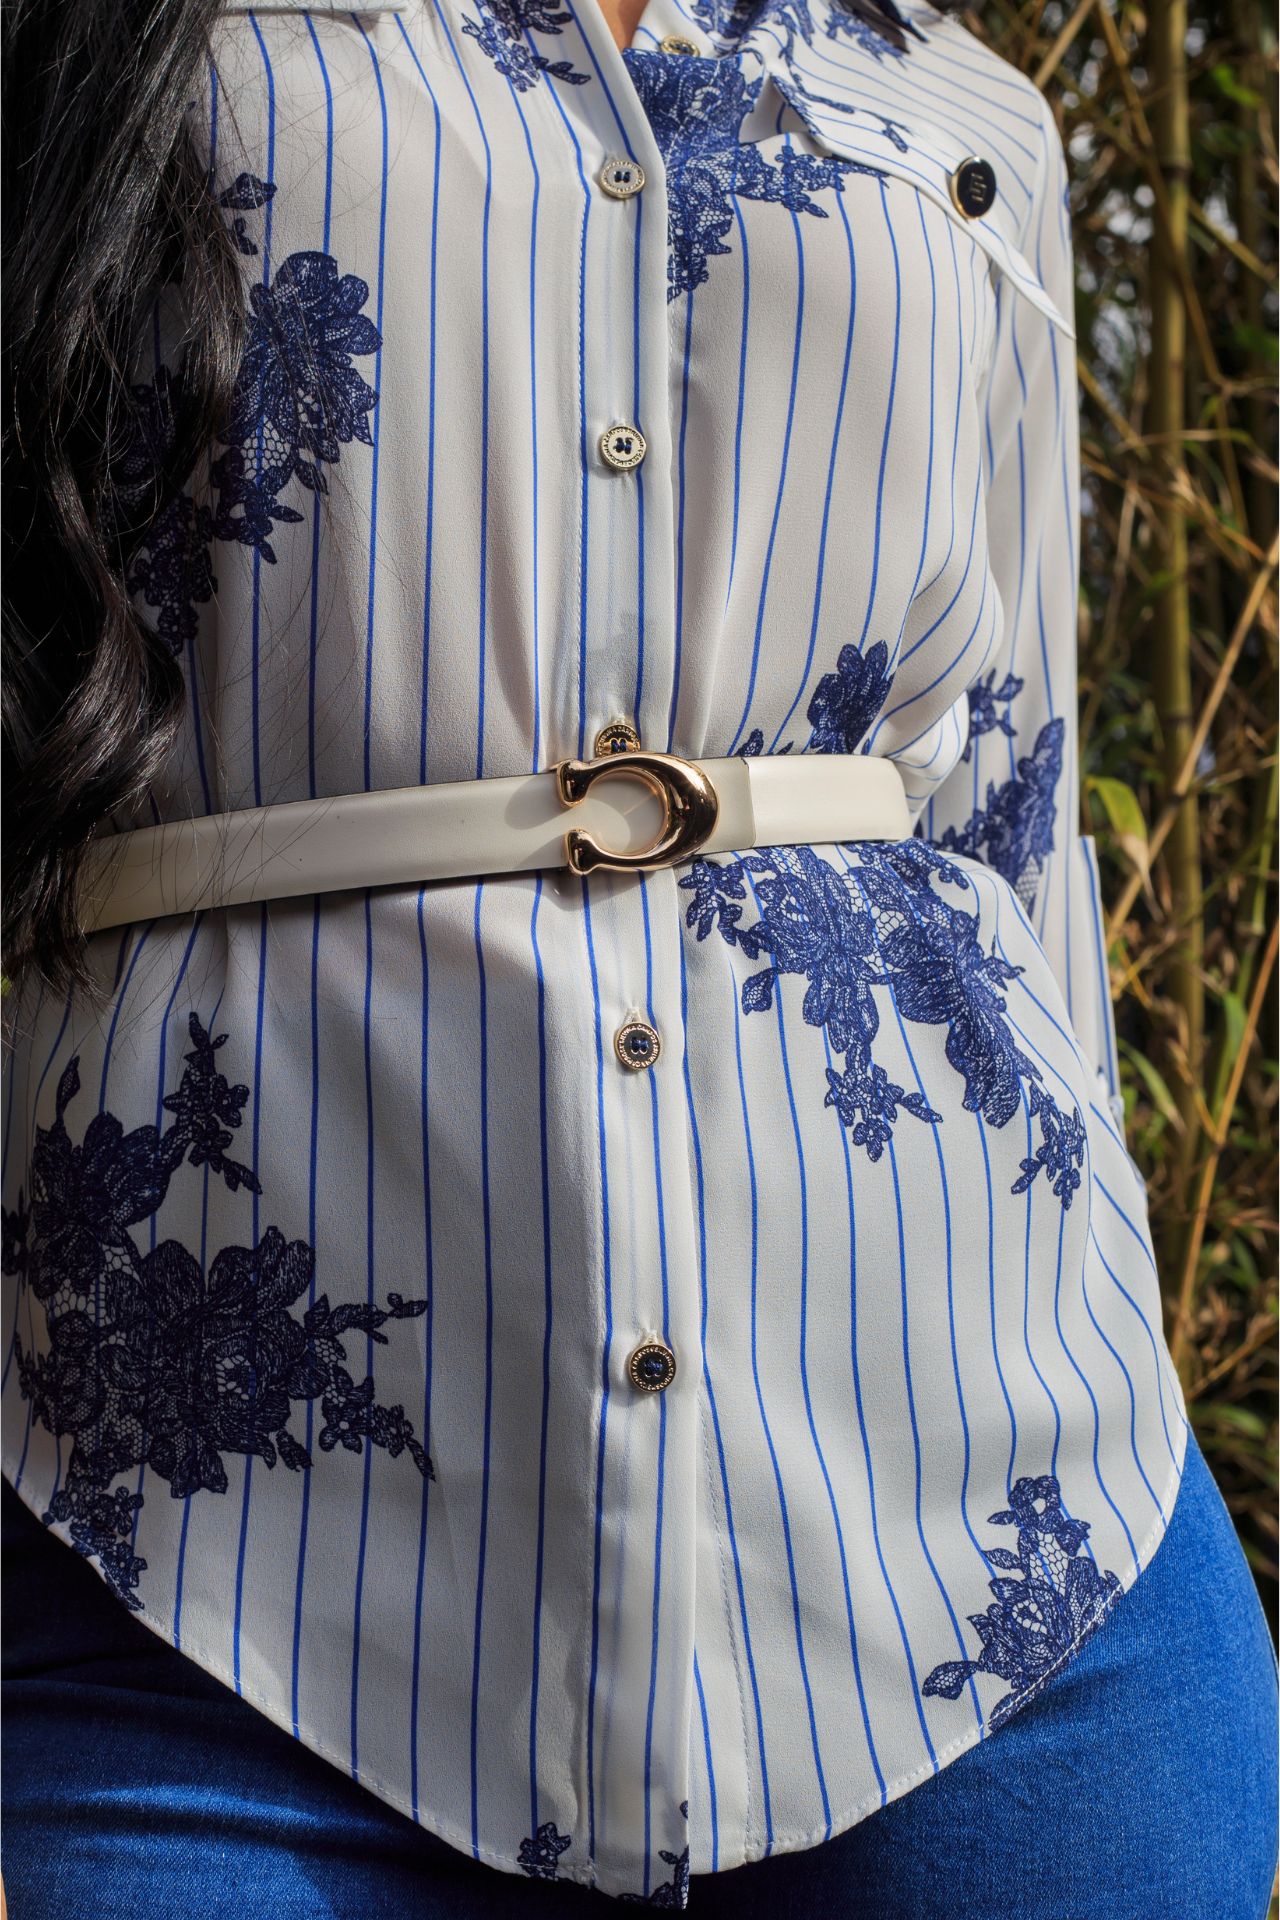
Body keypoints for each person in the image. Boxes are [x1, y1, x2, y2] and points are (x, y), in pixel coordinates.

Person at [1, 0, 1275, 1914]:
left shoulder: (953, 103)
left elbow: (1014, 812)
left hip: (999, 1549)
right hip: (192, 1569)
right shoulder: (101, 50)